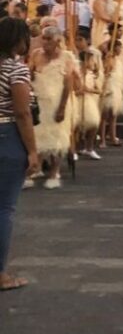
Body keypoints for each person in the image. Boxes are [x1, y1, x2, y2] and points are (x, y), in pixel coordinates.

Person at [0, 18, 39, 289]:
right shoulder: (16, 70)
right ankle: (1, 273)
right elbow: (23, 112)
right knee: (4, 208)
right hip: (7, 135)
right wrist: (33, 150)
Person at [28, 26, 75, 189]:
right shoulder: (35, 54)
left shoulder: (67, 57)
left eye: (49, 38)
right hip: (39, 101)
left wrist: (62, 107)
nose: (45, 42)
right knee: (37, 135)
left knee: (57, 138)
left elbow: (68, 84)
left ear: (57, 40)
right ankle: (36, 168)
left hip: (57, 102)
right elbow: (29, 73)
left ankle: (54, 172)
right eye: (44, 38)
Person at [74, 32, 103, 160]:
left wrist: (89, 90)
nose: (92, 62)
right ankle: (73, 149)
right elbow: (72, 91)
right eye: (90, 60)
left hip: (90, 101)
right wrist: (80, 90)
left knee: (93, 124)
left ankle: (89, 148)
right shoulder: (76, 74)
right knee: (75, 127)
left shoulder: (92, 75)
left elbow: (98, 90)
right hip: (77, 102)